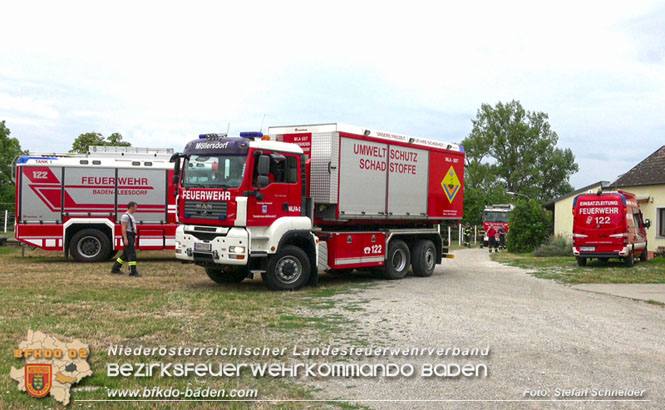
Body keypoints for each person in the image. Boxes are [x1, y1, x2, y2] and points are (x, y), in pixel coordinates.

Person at [111, 201, 141, 277]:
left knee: (125, 255)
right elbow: (123, 227)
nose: (136, 209)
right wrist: (125, 238)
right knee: (132, 254)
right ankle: (133, 271)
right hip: (128, 235)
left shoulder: (130, 216)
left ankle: (115, 268)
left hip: (131, 235)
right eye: (135, 207)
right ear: (131, 207)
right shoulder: (125, 216)